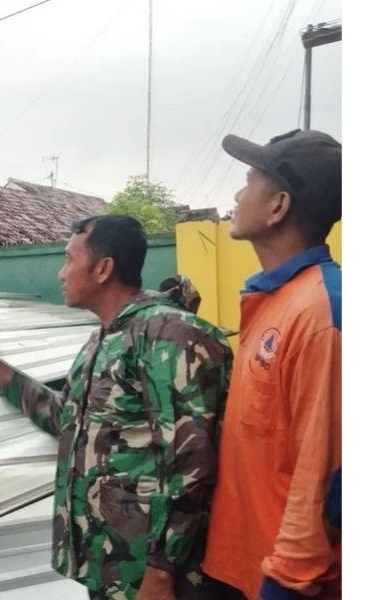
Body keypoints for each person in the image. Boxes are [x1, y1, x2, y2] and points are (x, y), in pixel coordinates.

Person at [0, 215, 232, 599]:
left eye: (69, 260)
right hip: (111, 570)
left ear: (103, 269)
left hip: (159, 581)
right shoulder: (101, 342)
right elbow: (66, 420)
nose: (60, 273)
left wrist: (161, 574)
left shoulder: (169, 336)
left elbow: (190, 463)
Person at [202, 129, 342, 600]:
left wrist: (287, 583)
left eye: (248, 182)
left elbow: (327, 472)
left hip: (282, 583)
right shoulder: (274, 299)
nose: (237, 195)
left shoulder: (322, 314)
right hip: (239, 564)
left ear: (278, 206)